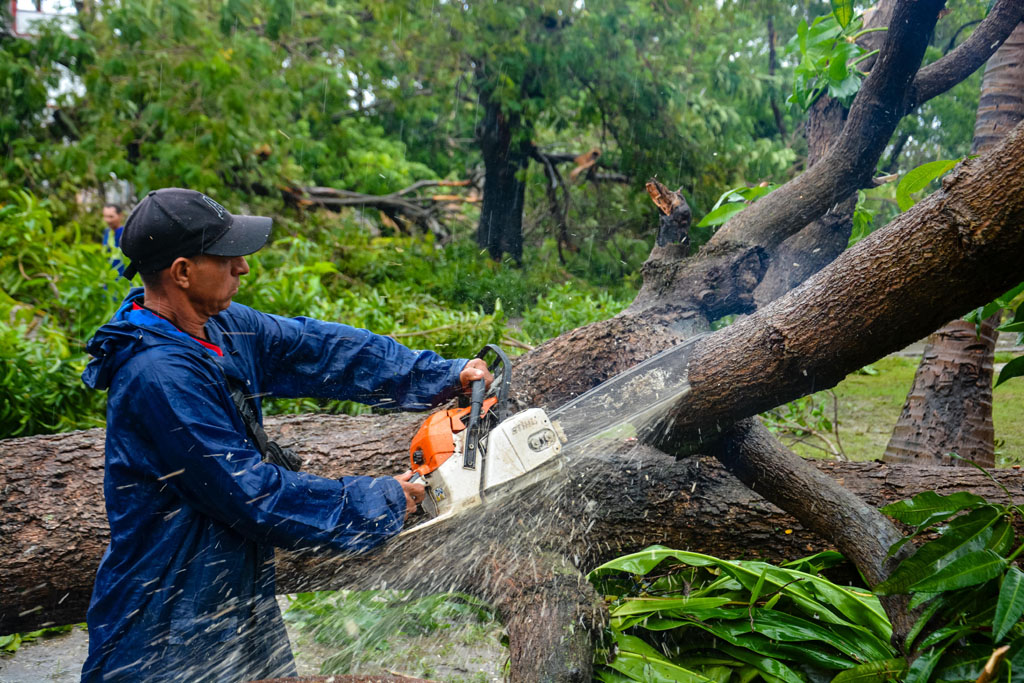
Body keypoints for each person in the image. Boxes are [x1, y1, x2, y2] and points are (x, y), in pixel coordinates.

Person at [79, 188, 491, 682]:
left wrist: (441, 375)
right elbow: (252, 496)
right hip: (164, 630)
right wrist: (382, 499)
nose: (243, 268)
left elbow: (322, 349)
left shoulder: (221, 327)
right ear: (183, 272)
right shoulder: (159, 376)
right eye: (226, 257)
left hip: (231, 601)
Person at [100, 203, 127, 277]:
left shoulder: (126, 233)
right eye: (105, 216)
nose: (108, 220)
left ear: (120, 215)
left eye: (111, 217)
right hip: (108, 275)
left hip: (122, 276)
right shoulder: (107, 232)